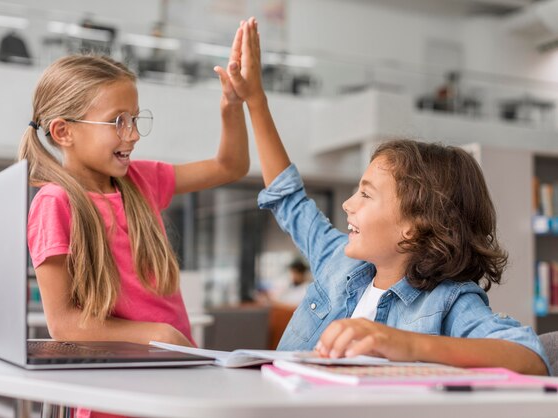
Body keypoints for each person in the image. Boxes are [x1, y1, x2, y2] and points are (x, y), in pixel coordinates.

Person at [226, 17, 549, 375]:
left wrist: (404, 344)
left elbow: (529, 358)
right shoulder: (339, 263)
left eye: (365, 194)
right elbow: (288, 198)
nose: (348, 204)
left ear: (412, 228)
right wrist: (254, 100)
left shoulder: (449, 300)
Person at [19, 28, 248, 418]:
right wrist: (156, 335)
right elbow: (64, 325)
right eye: (118, 121)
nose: (134, 135)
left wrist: (231, 106)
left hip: (175, 381)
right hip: (117, 394)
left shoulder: (141, 181)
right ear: (63, 131)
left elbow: (232, 166)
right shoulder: (54, 204)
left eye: (136, 119)